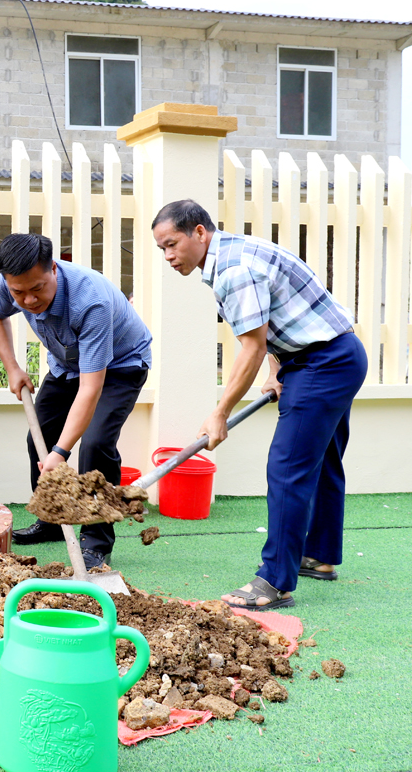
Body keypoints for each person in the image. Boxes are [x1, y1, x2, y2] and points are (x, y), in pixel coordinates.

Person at [152, 199, 365, 611]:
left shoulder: (233, 271)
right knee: (321, 460)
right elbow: (274, 319)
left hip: (322, 362)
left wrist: (220, 412)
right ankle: (319, 557)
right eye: (161, 249)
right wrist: (277, 370)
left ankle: (274, 582)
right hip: (337, 352)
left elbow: (251, 346)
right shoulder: (236, 250)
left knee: (287, 468)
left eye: (172, 244)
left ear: (199, 232)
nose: (168, 256)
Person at [0, 233, 152, 571]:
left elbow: (91, 389)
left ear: (53, 268)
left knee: (95, 444)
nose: (29, 300)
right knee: (39, 439)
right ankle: (51, 518)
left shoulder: (90, 301)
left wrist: (61, 454)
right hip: (68, 364)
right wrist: (14, 368)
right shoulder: (12, 285)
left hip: (121, 366)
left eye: (37, 289)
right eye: (19, 292)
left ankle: (96, 541)